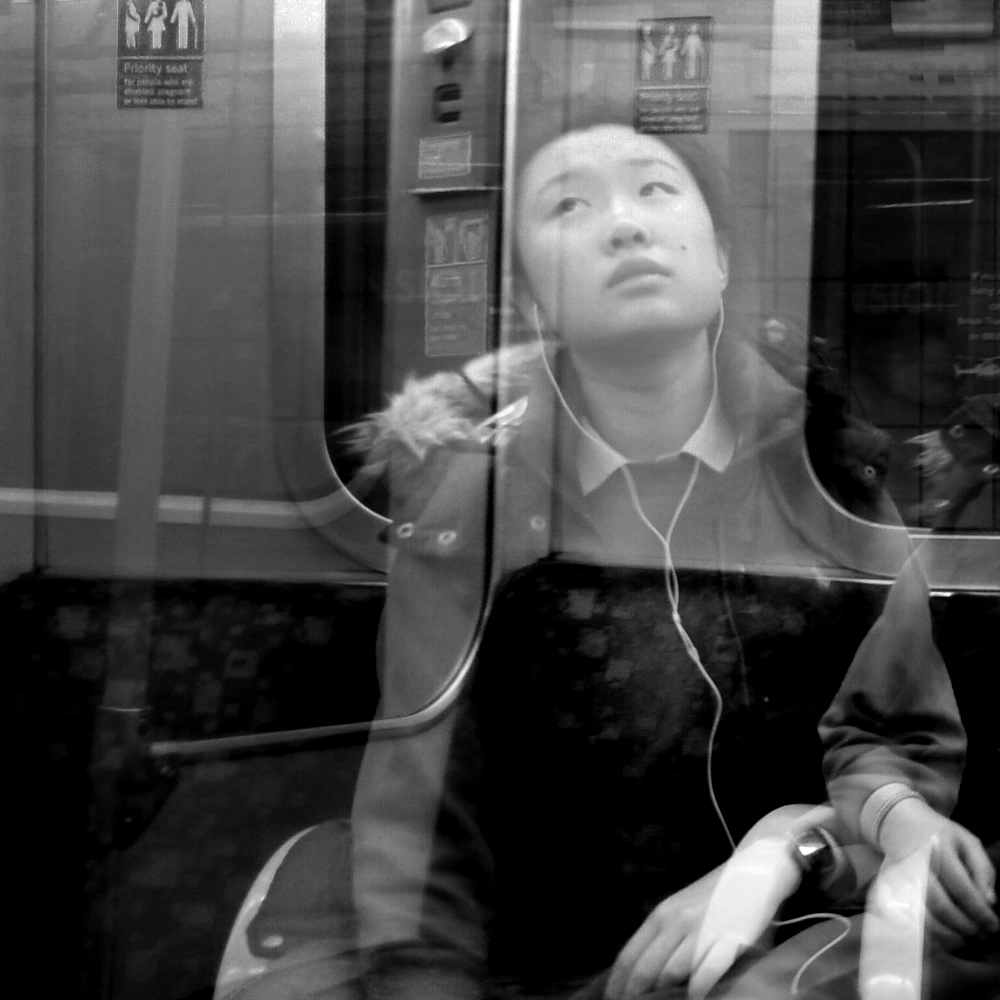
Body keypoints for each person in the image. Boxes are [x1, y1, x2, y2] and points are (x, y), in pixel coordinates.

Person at [236, 118, 994, 999]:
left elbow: (893, 744)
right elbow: (423, 820)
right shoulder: (474, 514)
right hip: (554, 962)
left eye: (656, 190)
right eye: (570, 206)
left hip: (806, 940)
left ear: (720, 261)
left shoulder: (826, 475)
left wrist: (790, 850)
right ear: (532, 308)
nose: (625, 225)